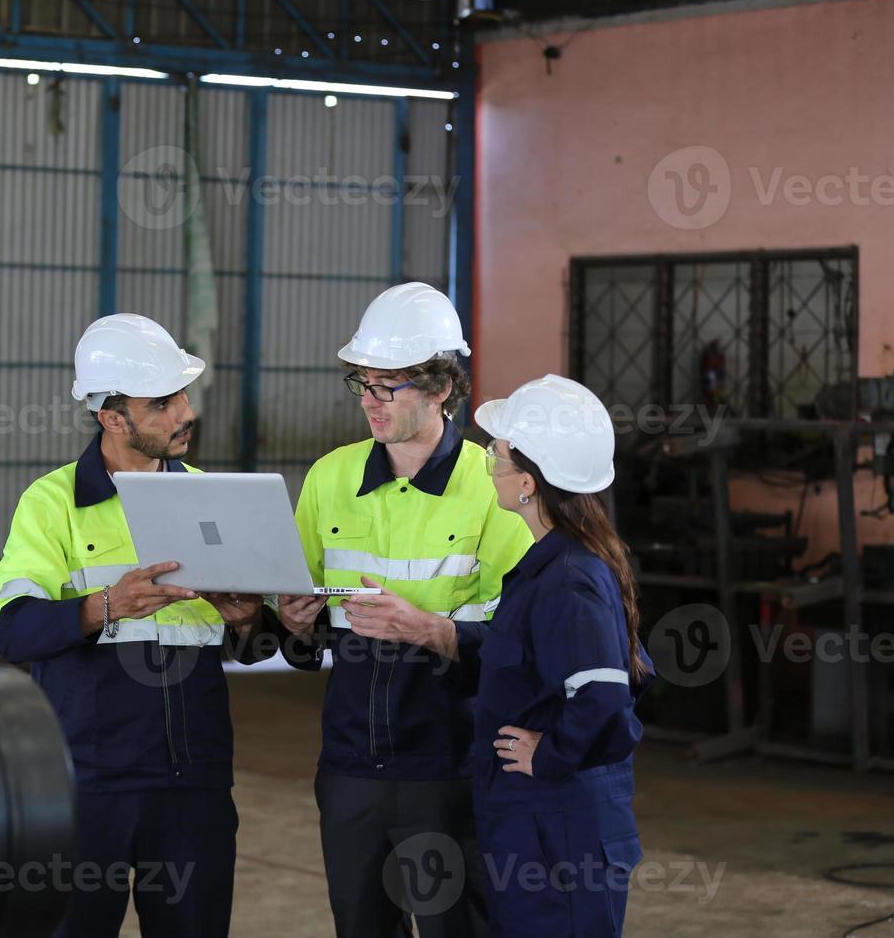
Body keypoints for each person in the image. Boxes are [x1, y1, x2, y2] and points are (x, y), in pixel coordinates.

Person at [0, 312, 276, 938]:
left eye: (182, 396)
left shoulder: (213, 498)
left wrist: (250, 620)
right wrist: (103, 605)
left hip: (194, 783)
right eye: (162, 403)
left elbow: (256, 648)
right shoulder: (52, 503)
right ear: (111, 416)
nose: (184, 414)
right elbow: (14, 630)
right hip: (89, 785)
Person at [272, 282, 534, 938]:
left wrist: (433, 630)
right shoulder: (330, 478)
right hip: (349, 765)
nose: (369, 400)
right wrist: (296, 624)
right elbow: (301, 633)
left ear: (443, 386)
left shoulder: (490, 486)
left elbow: (524, 638)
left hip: (447, 766)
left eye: (389, 386)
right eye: (362, 382)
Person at [465, 374, 654, 937]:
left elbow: (603, 695)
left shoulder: (569, 578)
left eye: (496, 457)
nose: (490, 467)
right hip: (546, 829)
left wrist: (550, 756)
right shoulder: (562, 563)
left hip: (558, 832)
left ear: (527, 483)